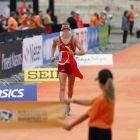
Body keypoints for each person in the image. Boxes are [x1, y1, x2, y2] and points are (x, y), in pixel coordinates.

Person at [64, 69, 115, 140]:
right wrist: (72, 100)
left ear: (101, 83)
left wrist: (71, 125)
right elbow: (89, 101)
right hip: (107, 131)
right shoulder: (110, 97)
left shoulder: (101, 100)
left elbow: (86, 115)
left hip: (97, 131)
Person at [51, 22, 85, 116]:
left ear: (69, 28)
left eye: (67, 25)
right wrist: (52, 56)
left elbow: (82, 51)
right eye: (63, 26)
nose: (65, 26)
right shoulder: (56, 39)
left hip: (72, 65)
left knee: (70, 88)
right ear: (61, 28)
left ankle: (68, 104)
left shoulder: (74, 38)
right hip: (62, 65)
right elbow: (53, 47)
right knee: (62, 88)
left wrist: (73, 53)